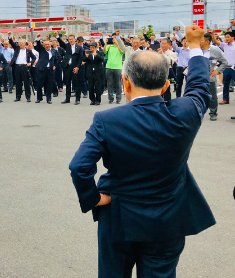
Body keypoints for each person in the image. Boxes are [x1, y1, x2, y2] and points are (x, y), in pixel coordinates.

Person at [69, 25, 216, 278]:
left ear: (125, 82)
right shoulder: (184, 113)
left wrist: (93, 198)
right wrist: (194, 47)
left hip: (118, 216)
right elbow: (200, 87)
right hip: (167, 219)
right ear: (166, 85)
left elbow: (79, 166)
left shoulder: (107, 119)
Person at [201, 32, 227, 121]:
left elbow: (224, 62)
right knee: (198, 95)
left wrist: (217, 71)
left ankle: (213, 113)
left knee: (212, 96)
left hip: (210, 77)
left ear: (207, 41)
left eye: (201, 40)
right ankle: (199, 113)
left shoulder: (215, 50)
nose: (199, 42)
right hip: (199, 77)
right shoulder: (198, 50)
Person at [58, 34, 83, 105]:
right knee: (68, 83)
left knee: (77, 83)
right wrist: (57, 36)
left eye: (72, 39)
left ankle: (77, 99)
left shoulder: (79, 47)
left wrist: (78, 67)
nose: (71, 41)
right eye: (69, 39)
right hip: (67, 66)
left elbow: (80, 58)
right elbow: (61, 43)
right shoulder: (67, 46)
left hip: (75, 67)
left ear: (75, 39)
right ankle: (67, 98)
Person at [8, 36, 35, 102]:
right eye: (20, 43)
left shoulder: (28, 51)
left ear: (25, 44)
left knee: (26, 82)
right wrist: (10, 37)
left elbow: (34, 58)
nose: (21, 44)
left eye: (22, 43)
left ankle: (28, 97)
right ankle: (18, 96)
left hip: (24, 67)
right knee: (18, 82)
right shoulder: (17, 49)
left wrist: (30, 63)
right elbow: (12, 43)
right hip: (17, 67)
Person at [33, 37, 57, 104]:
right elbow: (38, 45)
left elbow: (57, 58)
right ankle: (39, 98)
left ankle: (48, 99)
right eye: (45, 44)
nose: (47, 46)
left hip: (50, 70)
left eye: (48, 44)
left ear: (50, 45)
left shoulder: (53, 51)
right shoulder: (41, 50)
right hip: (42, 69)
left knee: (49, 85)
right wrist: (37, 38)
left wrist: (55, 65)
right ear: (43, 46)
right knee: (39, 84)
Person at [213, 32, 235, 105]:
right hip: (226, 68)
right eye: (226, 37)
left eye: (228, 37)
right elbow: (216, 41)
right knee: (225, 84)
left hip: (234, 68)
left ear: (233, 37)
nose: (227, 38)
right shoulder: (224, 45)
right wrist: (213, 34)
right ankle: (225, 99)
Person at [104, 32, 124, 104]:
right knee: (109, 84)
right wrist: (106, 43)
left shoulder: (121, 46)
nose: (113, 39)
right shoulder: (109, 46)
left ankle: (118, 99)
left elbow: (122, 52)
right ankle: (110, 99)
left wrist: (117, 43)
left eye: (115, 38)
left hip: (118, 67)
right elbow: (104, 51)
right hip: (109, 66)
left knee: (118, 83)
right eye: (113, 38)